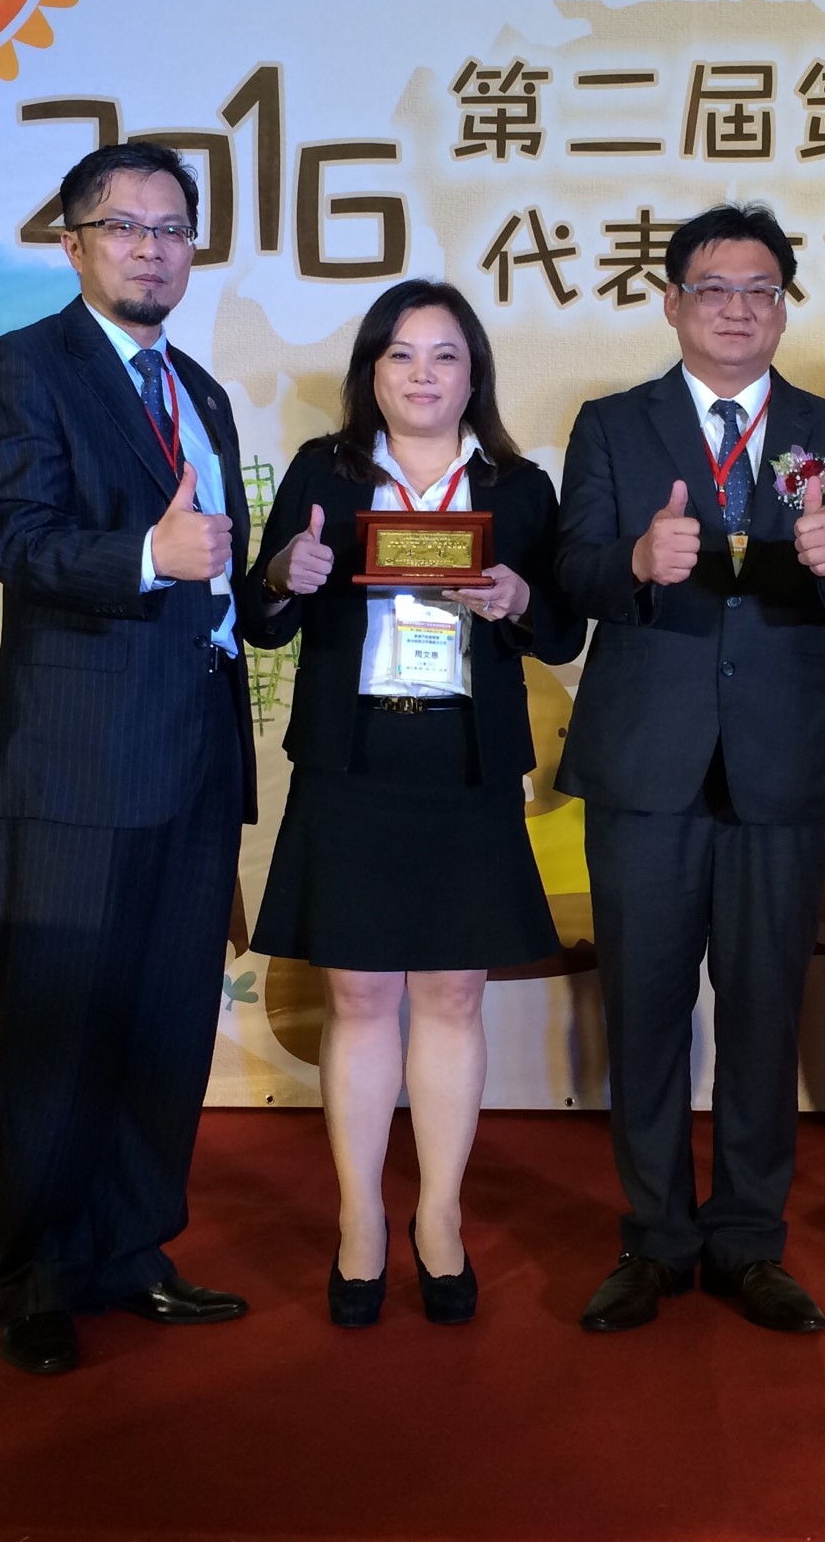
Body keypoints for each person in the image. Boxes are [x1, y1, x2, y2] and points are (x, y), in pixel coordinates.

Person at [555, 202, 825, 1334]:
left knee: (762, 1010)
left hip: (778, 765)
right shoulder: (613, 426)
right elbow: (568, 573)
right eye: (714, 288)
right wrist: (633, 560)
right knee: (644, 1007)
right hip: (644, 764)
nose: (738, 309)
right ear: (672, 304)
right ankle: (654, 1238)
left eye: (761, 289)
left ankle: (750, 1238)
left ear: (784, 307)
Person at [0, 141, 258, 1376]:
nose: (152, 249)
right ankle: (31, 1276)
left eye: (172, 229)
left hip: (194, 761)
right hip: (75, 766)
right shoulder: (21, 368)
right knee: (59, 1031)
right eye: (125, 226)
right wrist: (145, 556)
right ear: (72, 242)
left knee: (165, 1027)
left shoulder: (202, 392)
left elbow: (215, 575)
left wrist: (272, 580)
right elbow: (18, 540)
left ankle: (131, 1250)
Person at [245, 280, 583, 1327]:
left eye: (444, 356)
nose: (423, 374)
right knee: (357, 998)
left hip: (462, 761)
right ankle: (359, 1219)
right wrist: (285, 574)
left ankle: (438, 1216)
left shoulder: (517, 487)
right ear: (371, 373)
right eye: (400, 354)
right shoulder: (324, 472)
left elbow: (561, 629)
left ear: (474, 375)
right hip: (352, 758)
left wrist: (517, 599)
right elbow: (260, 616)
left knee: (451, 997)